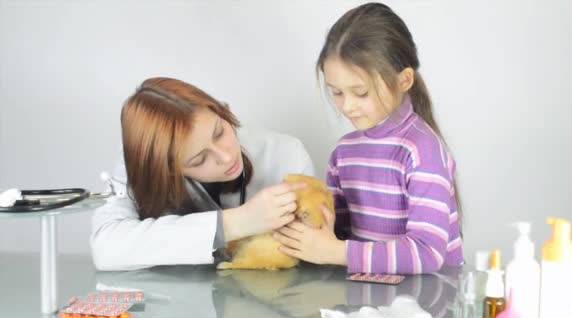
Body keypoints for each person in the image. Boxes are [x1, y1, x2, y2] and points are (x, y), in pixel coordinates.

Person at [274, 2, 464, 274]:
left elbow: (427, 252)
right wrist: (304, 224)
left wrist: (335, 251)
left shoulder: (422, 150)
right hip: (373, 302)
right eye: (337, 92)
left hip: (429, 306)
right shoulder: (344, 151)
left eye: (360, 92)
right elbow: (338, 231)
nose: (347, 106)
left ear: (404, 80)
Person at [91, 77, 313, 271]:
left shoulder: (286, 154)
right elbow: (106, 248)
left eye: (219, 132)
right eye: (199, 160)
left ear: (220, 111)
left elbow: (307, 248)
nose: (226, 157)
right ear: (168, 170)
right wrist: (233, 224)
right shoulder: (141, 166)